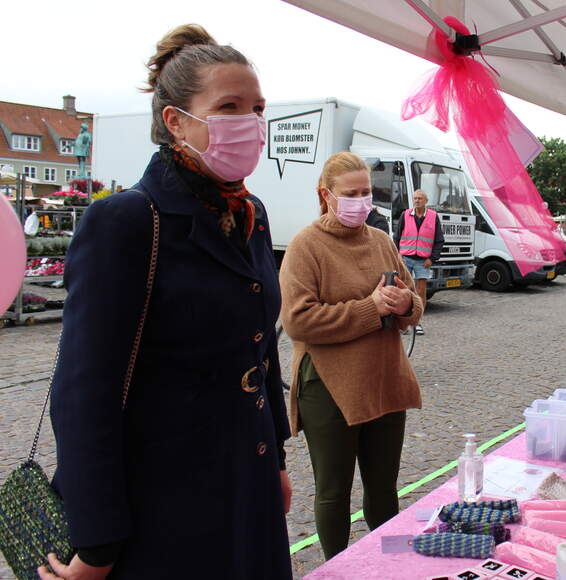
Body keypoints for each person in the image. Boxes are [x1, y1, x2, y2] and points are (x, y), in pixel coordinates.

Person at [42, 25, 292, 580]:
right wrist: (97, 542)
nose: (250, 122)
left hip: (245, 489)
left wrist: (272, 456)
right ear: (177, 121)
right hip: (164, 506)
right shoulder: (127, 221)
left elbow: (260, 349)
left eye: (257, 108)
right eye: (229, 106)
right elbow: (84, 393)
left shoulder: (250, 216)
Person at [280, 151, 423, 560]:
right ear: (326, 195)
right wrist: (370, 307)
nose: (362, 201)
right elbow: (298, 320)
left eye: (366, 192)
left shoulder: (380, 240)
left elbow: (413, 301)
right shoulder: (306, 245)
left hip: (384, 381)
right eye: (352, 193)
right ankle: (337, 568)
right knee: (334, 489)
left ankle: (385, 564)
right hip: (328, 386)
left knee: (383, 487)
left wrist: (402, 305)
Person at [393, 189, 443, 335]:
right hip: (405, 259)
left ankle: (417, 322)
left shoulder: (434, 217)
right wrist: (398, 255)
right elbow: (396, 237)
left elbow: (439, 240)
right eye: (415, 198)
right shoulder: (405, 215)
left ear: (426, 201)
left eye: (420, 198)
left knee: (421, 291)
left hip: (423, 261)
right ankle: (403, 322)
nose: (417, 201)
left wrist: (432, 258)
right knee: (404, 290)